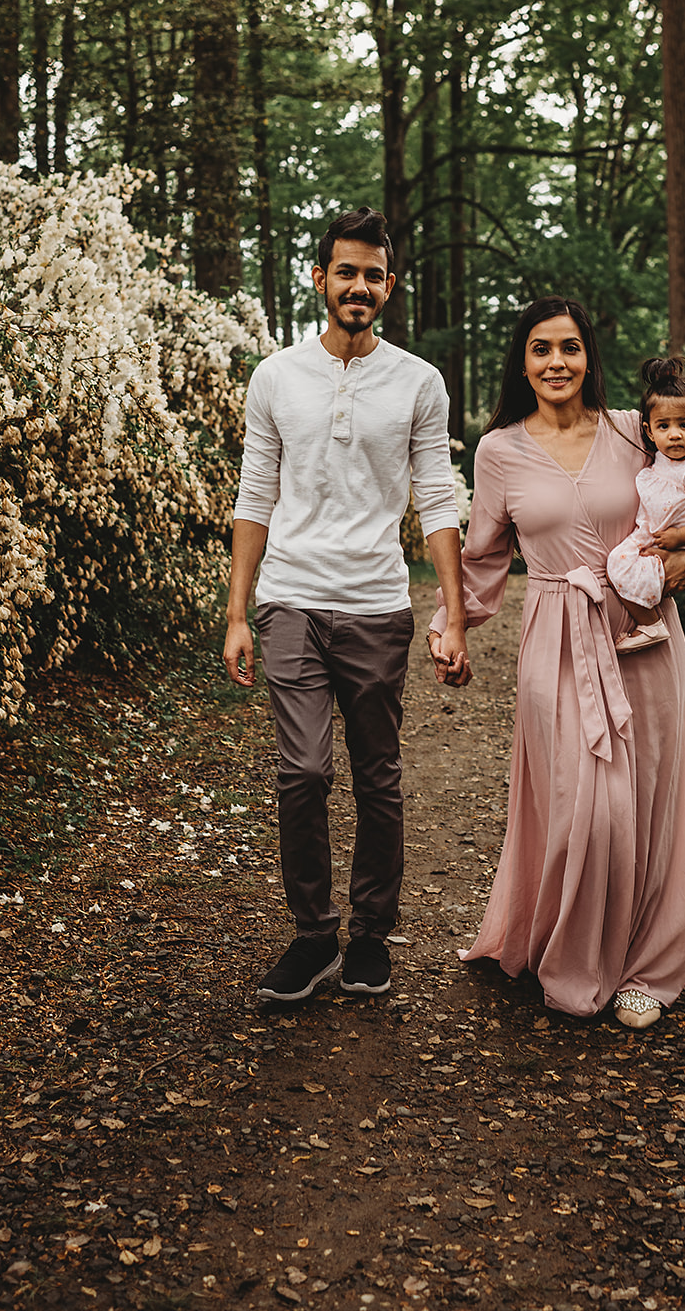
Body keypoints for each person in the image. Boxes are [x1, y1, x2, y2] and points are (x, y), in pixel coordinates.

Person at [427, 298, 685, 1029]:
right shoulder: (498, 450)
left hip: (642, 632)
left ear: (588, 356)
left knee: (648, 806)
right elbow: (483, 557)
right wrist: (452, 627)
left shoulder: (632, 429)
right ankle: (569, 948)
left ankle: (645, 965)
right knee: (584, 810)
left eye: (569, 347)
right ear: (521, 363)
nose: (555, 362)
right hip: (554, 636)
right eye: (539, 349)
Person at [223, 206, 471, 1005]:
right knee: (301, 773)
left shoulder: (418, 382)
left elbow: (436, 496)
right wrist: (237, 612)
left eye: (372, 274)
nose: (357, 285)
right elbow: (254, 494)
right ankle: (311, 936)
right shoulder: (276, 377)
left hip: (375, 605)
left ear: (388, 285)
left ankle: (369, 938)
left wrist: (453, 611)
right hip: (290, 598)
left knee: (378, 779)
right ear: (320, 278)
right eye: (345, 271)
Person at [606, 357, 685, 654]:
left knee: (619, 564)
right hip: (651, 530)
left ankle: (650, 623)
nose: (674, 434)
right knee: (617, 562)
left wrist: (682, 538)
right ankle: (647, 617)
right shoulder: (663, 456)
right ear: (649, 432)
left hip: (671, 537)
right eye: (664, 426)